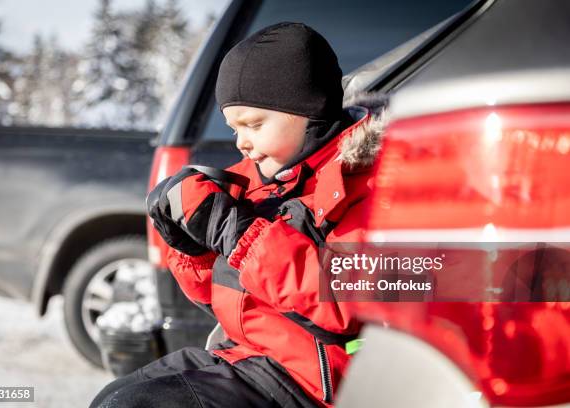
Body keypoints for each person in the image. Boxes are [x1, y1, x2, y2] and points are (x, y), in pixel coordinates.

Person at [90, 22, 385, 408]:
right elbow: (221, 300)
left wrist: (236, 232)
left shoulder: (370, 181)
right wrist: (190, 247)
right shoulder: (255, 179)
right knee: (113, 399)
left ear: (309, 110)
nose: (242, 142)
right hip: (245, 354)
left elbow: (351, 303)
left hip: (312, 381)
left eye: (254, 124)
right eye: (234, 129)